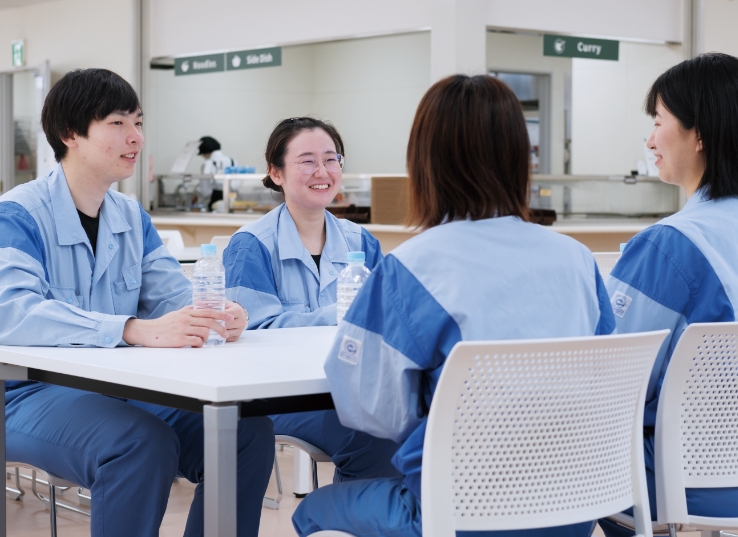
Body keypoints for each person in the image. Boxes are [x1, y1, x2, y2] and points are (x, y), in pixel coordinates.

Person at [292, 75, 615, 537]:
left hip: (459, 512)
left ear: (425, 161)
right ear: (519, 159)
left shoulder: (413, 267)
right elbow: (606, 379)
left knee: (314, 510)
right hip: (574, 510)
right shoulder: (578, 260)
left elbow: (367, 405)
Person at [0, 68, 273, 537]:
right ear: (70, 134)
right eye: (118, 123)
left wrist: (217, 313)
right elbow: (12, 314)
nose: (136, 137)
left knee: (244, 433)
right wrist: (130, 329)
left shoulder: (130, 215)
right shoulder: (18, 214)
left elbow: (171, 296)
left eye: (139, 122)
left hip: (116, 388)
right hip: (25, 394)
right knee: (138, 442)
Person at [599, 53, 738, 537]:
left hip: (685, 483)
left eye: (658, 121)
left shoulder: (670, 246)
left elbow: (608, 382)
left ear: (699, 134)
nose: (650, 140)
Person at [222, 117, 401, 483]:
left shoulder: (360, 242)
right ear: (276, 173)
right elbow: (252, 333)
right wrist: (341, 315)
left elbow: (386, 316)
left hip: (350, 386)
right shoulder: (251, 245)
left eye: (331, 159)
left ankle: (363, 511)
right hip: (276, 395)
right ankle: (340, 512)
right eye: (307, 161)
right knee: (372, 436)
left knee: (411, 422)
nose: (322, 171)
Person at [199, 136, 235, 209]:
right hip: (232, 198)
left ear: (204, 151)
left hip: (215, 200)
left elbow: (205, 191)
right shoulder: (232, 161)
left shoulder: (207, 163)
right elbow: (235, 185)